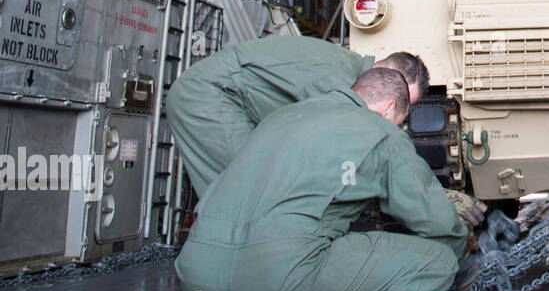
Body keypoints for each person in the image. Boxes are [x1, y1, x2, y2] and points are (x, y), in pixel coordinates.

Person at [175, 68, 468, 291]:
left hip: (199, 277)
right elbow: (436, 220)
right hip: (275, 280)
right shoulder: (381, 131)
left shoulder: (281, 116)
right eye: (399, 121)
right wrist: (461, 253)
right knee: (437, 263)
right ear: (388, 108)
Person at [166, 35, 429, 197]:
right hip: (211, 96)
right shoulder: (337, 82)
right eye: (399, 94)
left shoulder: (350, 69)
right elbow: (331, 155)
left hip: (234, 101)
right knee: (244, 191)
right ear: (383, 71)